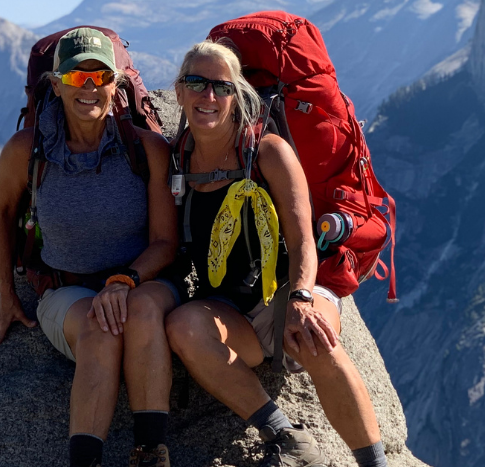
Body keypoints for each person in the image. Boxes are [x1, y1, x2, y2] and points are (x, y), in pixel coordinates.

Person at [163, 40, 389, 467]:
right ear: (178, 91)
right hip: (234, 310)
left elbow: (304, 237)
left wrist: (303, 299)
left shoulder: (268, 152)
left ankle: (374, 463)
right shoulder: (176, 159)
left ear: (238, 95)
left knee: (313, 334)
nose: (208, 96)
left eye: (221, 87)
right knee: (183, 326)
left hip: (293, 288)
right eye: (196, 83)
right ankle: (287, 437)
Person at [0, 28, 180, 467]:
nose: (89, 88)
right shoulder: (26, 151)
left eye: (100, 76)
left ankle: (150, 453)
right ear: (55, 85)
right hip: (66, 289)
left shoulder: (147, 150)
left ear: (116, 83)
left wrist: (124, 281)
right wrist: (7, 299)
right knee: (99, 328)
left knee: (137, 312)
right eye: (75, 77)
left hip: (143, 282)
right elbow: (0, 213)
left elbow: (166, 242)